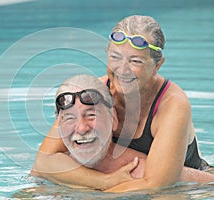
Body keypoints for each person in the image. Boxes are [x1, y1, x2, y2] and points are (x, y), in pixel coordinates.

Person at [32, 15, 213, 192]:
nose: (122, 70)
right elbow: (43, 161)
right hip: (122, 181)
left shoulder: (172, 104)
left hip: (189, 187)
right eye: (115, 57)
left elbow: (156, 184)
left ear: (157, 66)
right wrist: (105, 181)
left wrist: (95, 196)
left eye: (135, 61)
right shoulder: (94, 93)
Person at [32, 74, 214, 191]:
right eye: (69, 118)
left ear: (114, 120)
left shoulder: (136, 169)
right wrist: (105, 182)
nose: (81, 128)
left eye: (91, 115)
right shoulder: (54, 167)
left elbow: (207, 183)